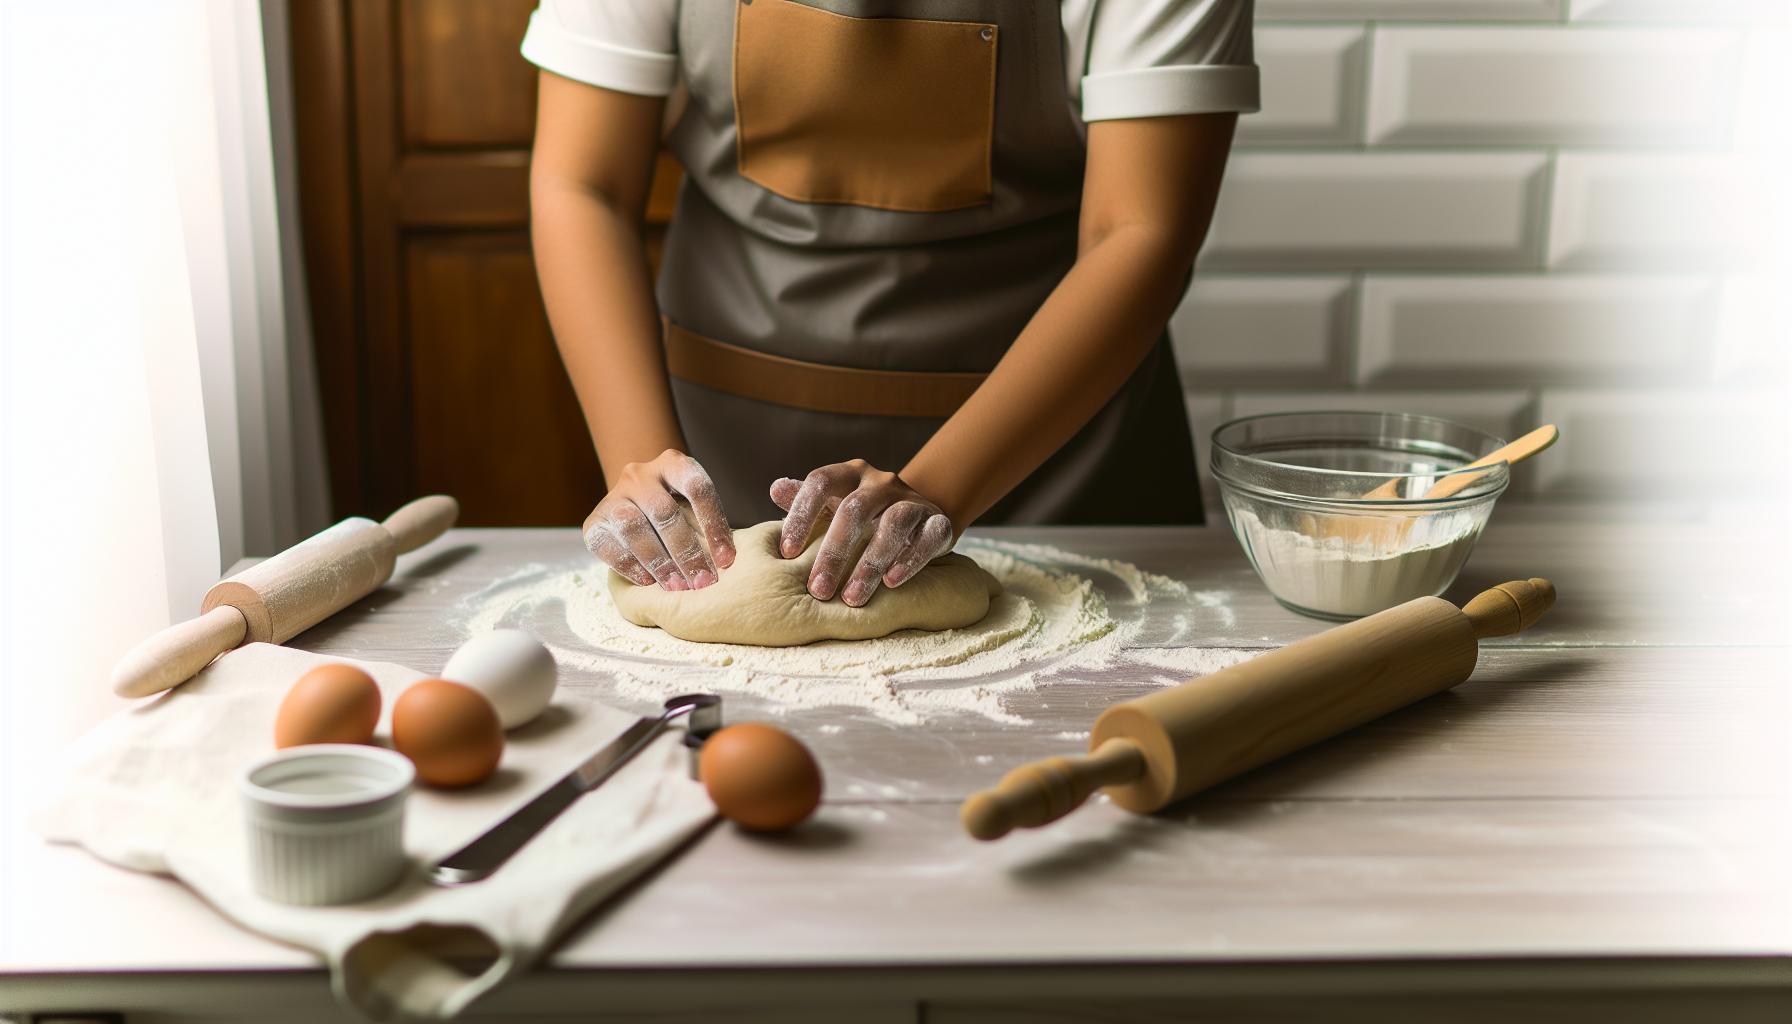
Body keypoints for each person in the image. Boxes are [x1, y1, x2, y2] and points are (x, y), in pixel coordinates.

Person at [524, 0, 1257, 607]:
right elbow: (584, 185)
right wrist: (648, 475)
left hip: (1059, 470)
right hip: (720, 456)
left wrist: (934, 492)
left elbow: (1139, 232)